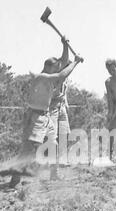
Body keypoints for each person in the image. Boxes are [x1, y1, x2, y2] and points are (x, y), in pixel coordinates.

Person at [0, 41, 83, 187]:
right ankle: (15, 178)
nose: (58, 69)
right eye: (56, 68)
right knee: (29, 149)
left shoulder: (49, 76)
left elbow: (62, 63)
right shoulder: (42, 77)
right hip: (36, 117)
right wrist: (75, 62)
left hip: (45, 116)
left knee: (54, 144)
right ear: (49, 67)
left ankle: (53, 174)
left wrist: (65, 44)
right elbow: (61, 74)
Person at [49, 36, 72, 180]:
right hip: (51, 108)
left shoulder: (64, 78)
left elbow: (64, 92)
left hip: (61, 107)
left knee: (66, 136)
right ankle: (53, 171)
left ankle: (60, 161)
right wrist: (65, 46)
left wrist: (65, 45)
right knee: (53, 140)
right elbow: (64, 61)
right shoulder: (53, 75)